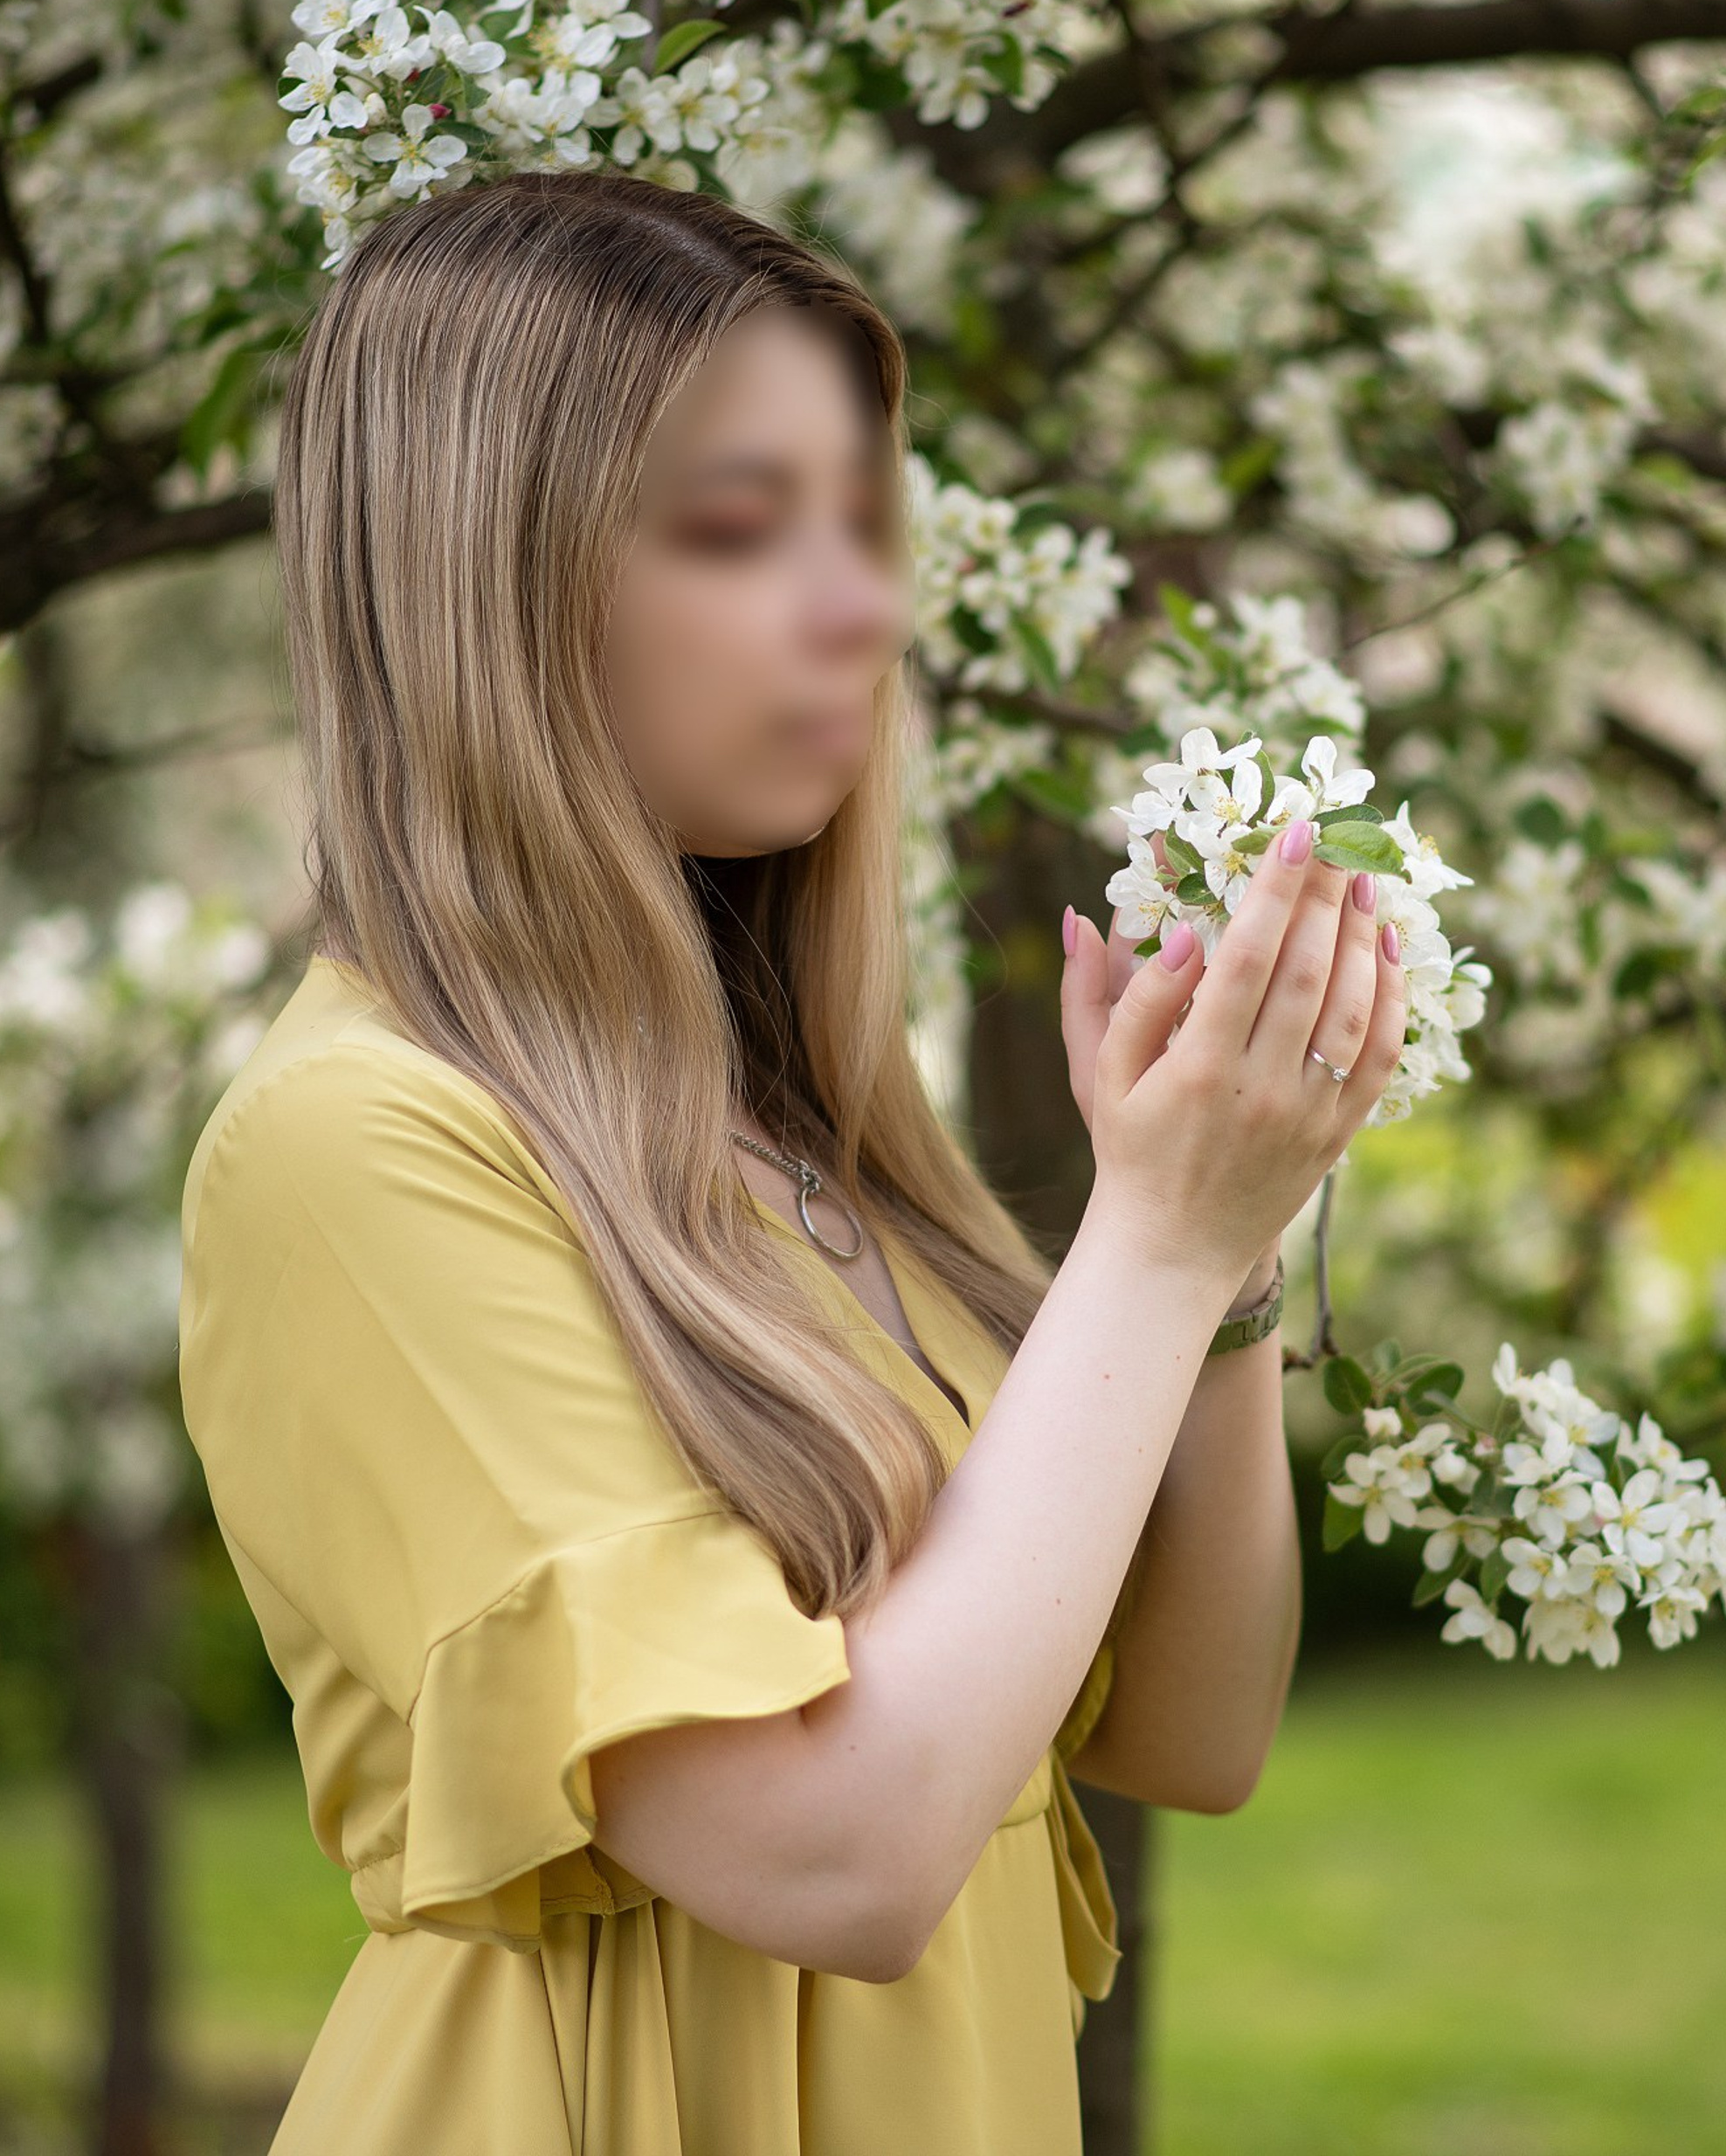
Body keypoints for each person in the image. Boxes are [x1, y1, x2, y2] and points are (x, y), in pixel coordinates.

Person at [176, 168, 1407, 2155]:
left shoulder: (795, 1124)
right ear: (486, 581)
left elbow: (1191, 1728)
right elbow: (834, 1852)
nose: (863, 605)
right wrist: (1155, 1250)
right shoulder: (358, 1141)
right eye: (740, 527)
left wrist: (1220, 1244)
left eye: (862, 522)